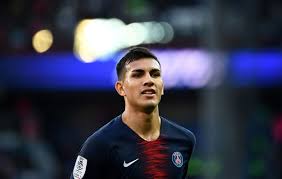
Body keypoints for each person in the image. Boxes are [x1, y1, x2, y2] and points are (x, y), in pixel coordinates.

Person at [70, 47, 196, 179]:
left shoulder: (184, 139)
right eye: (138, 74)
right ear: (121, 88)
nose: (149, 80)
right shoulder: (99, 145)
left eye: (155, 74)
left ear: (162, 87)